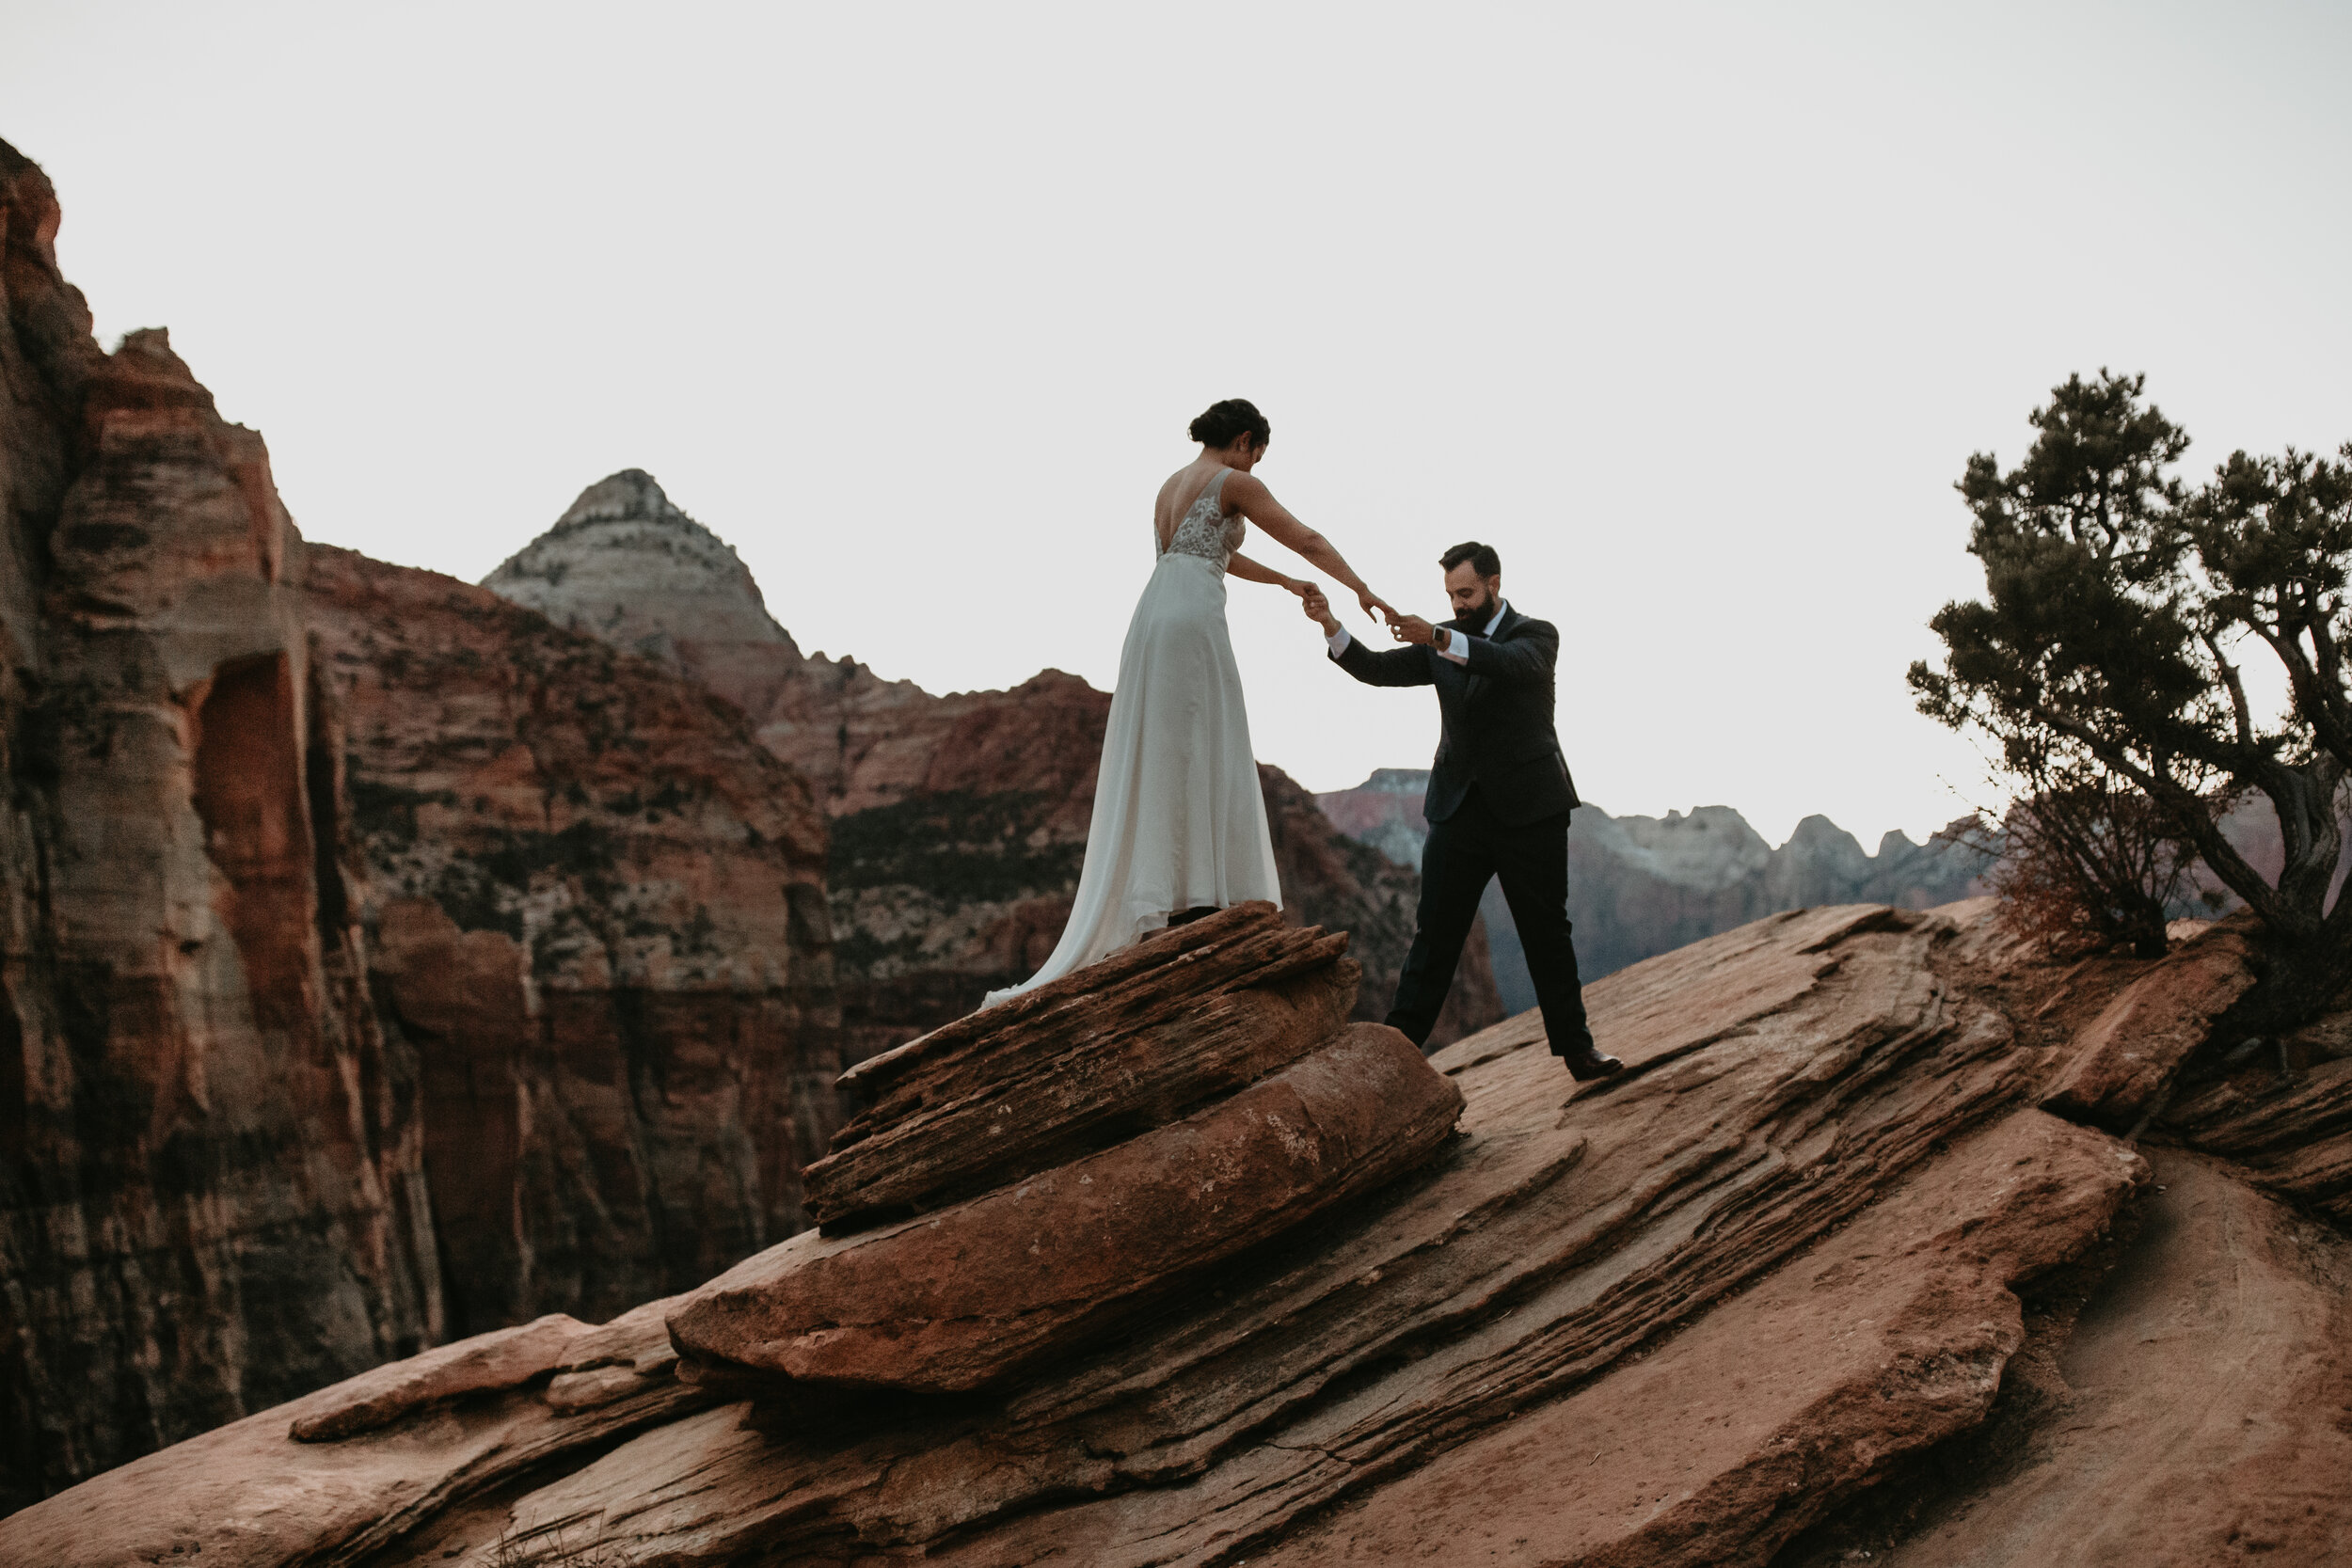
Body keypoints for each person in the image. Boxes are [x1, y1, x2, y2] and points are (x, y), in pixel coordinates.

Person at [984, 399, 1394, 1006]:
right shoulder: (1235, 481)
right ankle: (1199, 895)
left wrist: (1281, 583)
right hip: (1191, 621)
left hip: (1153, 617)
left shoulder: (1170, 486)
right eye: (1257, 454)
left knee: (1170, 753)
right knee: (1205, 744)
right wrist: (1362, 588)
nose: (1255, 465)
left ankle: (1180, 892)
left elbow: (1205, 553)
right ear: (1246, 441)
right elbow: (1304, 536)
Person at [1302, 543, 1622, 1081]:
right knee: (1434, 938)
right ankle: (1393, 1061)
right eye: (1450, 596)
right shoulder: (1442, 643)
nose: (1458, 603)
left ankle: (1578, 1051)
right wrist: (1332, 624)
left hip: (1531, 812)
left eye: (1466, 593)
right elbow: (1377, 670)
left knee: (1546, 934)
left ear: (1494, 584)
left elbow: (1506, 664)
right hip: (1458, 813)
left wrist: (1437, 636)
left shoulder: (1536, 635)